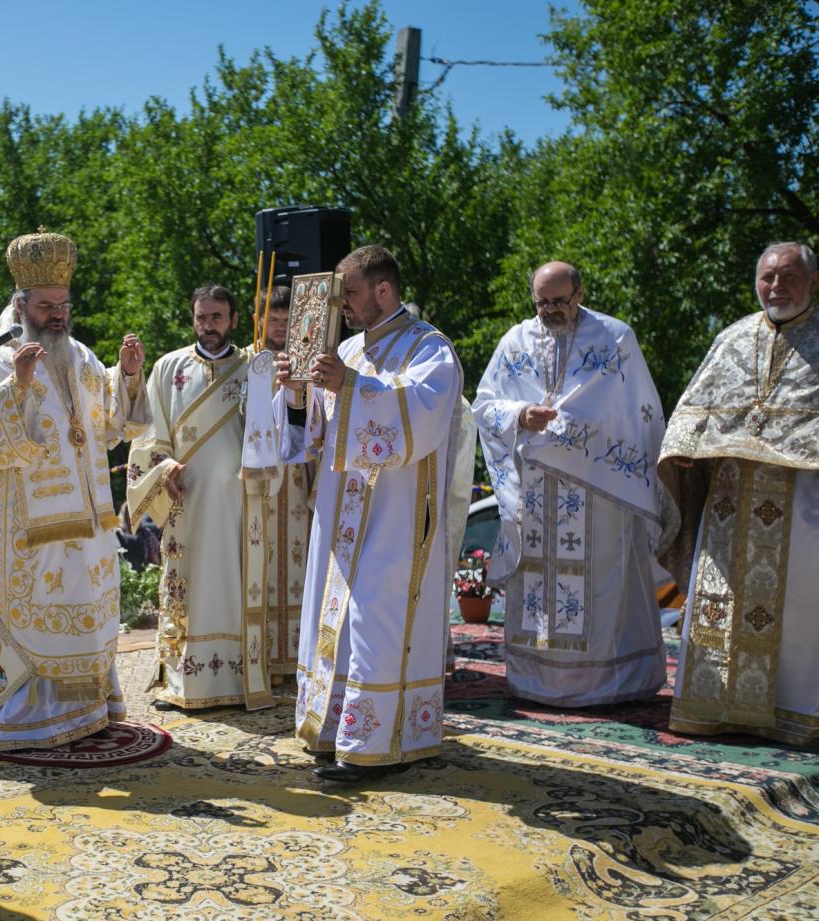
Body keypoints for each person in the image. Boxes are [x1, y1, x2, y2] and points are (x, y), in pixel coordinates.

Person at [0, 228, 149, 750]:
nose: (57, 314)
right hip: (24, 534)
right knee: (30, 624)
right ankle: (19, 720)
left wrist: (127, 377)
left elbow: (108, 427)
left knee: (87, 618)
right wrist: (15, 386)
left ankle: (87, 710)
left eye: (63, 304)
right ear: (21, 305)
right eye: (45, 305)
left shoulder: (82, 359)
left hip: (87, 527)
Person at [276, 245, 463, 782]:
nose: (344, 306)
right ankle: (333, 730)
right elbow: (314, 436)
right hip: (341, 512)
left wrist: (351, 388)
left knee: (374, 621)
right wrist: (296, 392)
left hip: (395, 517)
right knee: (335, 618)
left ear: (384, 290)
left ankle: (374, 743)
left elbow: (419, 418)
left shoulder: (430, 349)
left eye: (351, 293)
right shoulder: (349, 351)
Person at [471, 261, 667, 706]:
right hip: (537, 491)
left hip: (600, 493)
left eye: (560, 301)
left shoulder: (615, 338)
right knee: (539, 585)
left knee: (601, 584)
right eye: (542, 302)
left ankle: (610, 683)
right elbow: (484, 406)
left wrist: (579, 429)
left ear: (579, 293)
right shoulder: (515, 341)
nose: (550, 310)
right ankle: (536, 680)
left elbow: (637, 417)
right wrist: (520, 415)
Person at [657, 242, 819, 747]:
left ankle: (796, 714)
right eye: (767, 277)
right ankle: (715, 708)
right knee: (718, 605)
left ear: (813, 282)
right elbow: (692, 410)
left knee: (801, 608)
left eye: (788, 276)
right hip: (729, 502)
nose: (775, 286)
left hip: (803, 506)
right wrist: (684, 450)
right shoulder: (731, 339)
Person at [127, 283, 270, 711]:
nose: (208, 326)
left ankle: (241, 679)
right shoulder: (169, 369)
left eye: (217, 317)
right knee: (187, 586)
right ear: (192, 318)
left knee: (234, 585)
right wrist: (164, 468)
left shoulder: (255, 368)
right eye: (201, 317)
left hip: (242, 505)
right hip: (186, 503)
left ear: (234, 320)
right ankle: (181, 683)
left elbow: (272, 431)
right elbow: (149, 436)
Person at [242, 284, 316, 685]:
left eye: (289, 322)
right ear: (259, 321)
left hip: (299, 483)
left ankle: (299, 660)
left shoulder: (308, 362)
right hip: (257, 487)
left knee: (302, 569)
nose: (281, 328)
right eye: (274, 320)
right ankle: (262, 659)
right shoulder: (247, 363)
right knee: (262, 570)